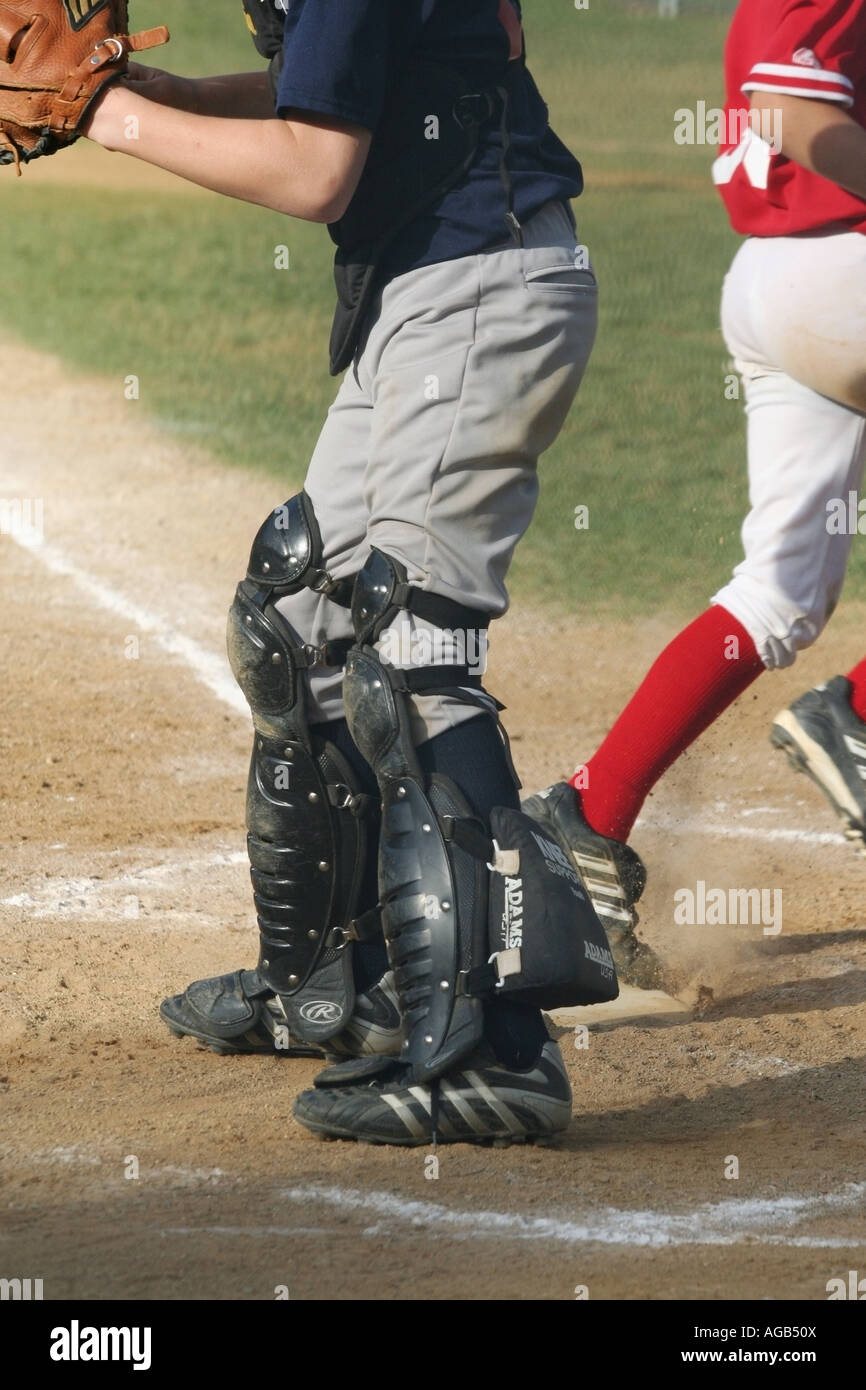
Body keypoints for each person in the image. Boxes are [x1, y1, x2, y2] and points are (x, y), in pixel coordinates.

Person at [84, 0, 605, 1145]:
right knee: (299, 622)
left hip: (479, 283)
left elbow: (317, 167)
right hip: (431, 294)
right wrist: (167, 98)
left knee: (407, 648)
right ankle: (338, 986)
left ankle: (498, 1048)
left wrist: (112, 118)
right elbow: (347, 86)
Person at [525, 0, 866, 987]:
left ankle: (588, 819)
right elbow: (785, 114)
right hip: (837, 266)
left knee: (777, 593)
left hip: (776, 282)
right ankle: (851, 715)